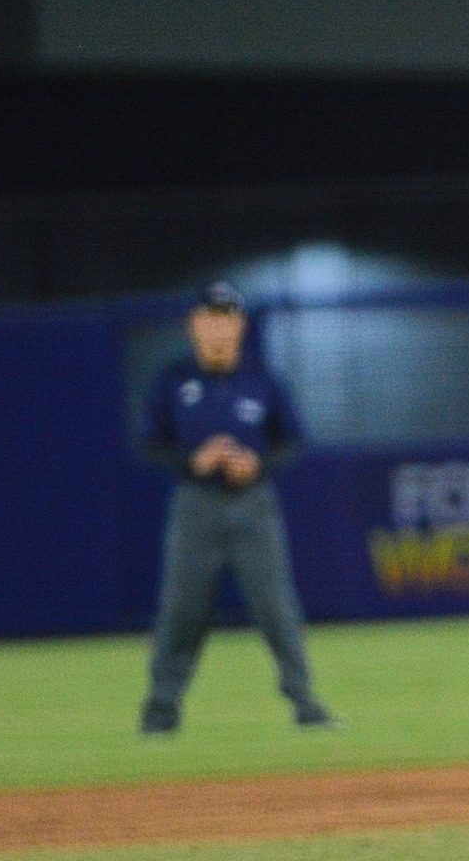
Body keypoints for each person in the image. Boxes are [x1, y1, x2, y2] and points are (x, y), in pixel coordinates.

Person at [137, 281, 335, 734]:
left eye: (229, 317)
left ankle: (305, 702)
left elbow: (293, 440)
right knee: (182, 610)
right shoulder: (174, 380)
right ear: (195, 324)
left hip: (253, 505)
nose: (221, 326)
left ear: (241, 325)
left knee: (276, 607)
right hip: (195, 505)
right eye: (212, 316)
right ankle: (161, 710)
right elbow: (150, 444)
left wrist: (257, 462)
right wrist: (193, 461)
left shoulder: (263, 380)